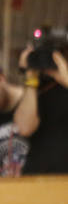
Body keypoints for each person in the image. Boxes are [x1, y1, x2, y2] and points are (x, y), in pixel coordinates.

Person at [15, 44, 68, 175]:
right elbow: (24, 128)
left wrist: (65, 78)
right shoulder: (31, 95)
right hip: (38, 178)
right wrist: (31, 78)